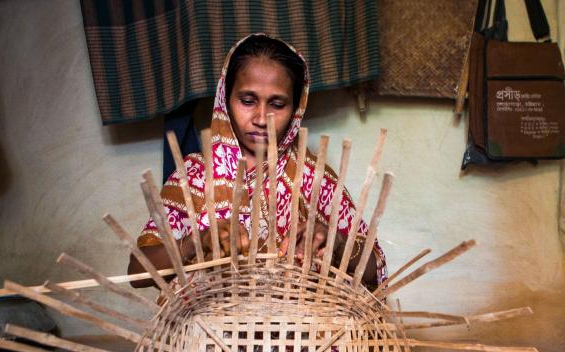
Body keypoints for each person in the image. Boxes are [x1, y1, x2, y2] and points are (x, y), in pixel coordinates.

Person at [128, 34, 387, 289]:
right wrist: (198, 241)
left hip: (297, 327)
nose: (262, 118)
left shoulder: (311, 177)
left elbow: (374, 270)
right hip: (207, 327)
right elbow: (138, 273)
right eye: (247, 100)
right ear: (225, 100)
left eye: (277, 103)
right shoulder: (195, 175)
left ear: (296, 109)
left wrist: (337, 243)